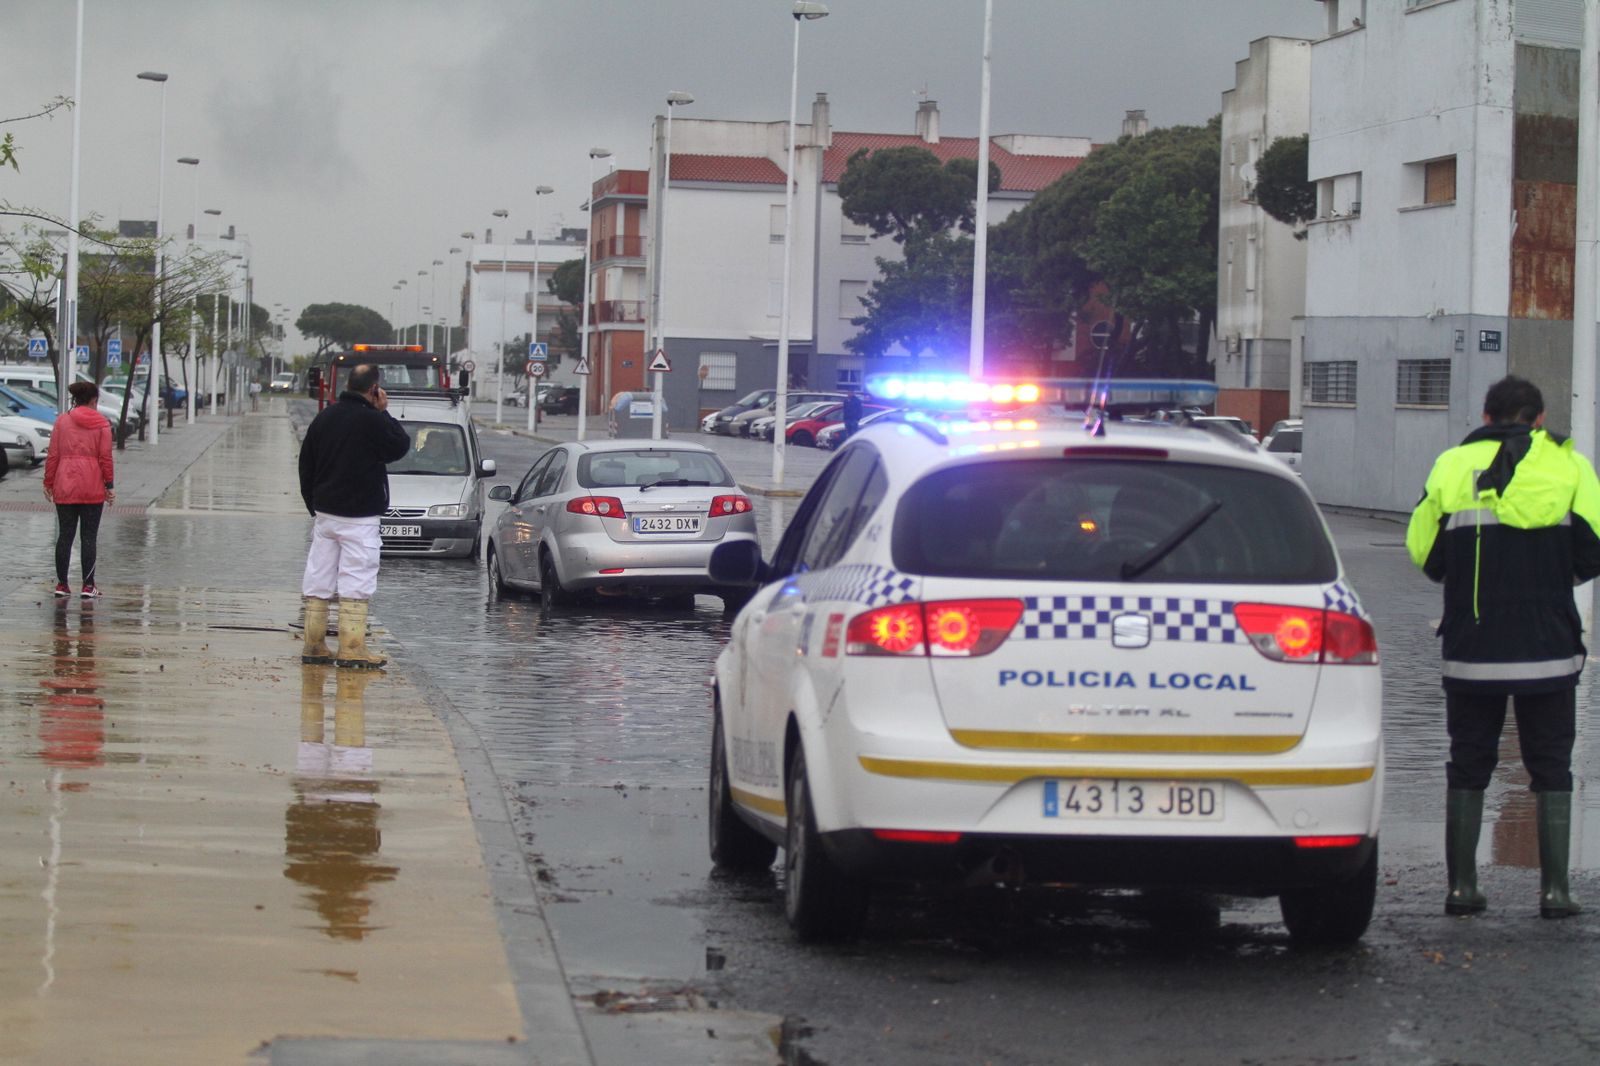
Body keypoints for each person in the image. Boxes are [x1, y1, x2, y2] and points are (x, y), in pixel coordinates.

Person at [1407, 375, 1600, 919]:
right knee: (1550, 765)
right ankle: (1555, 892)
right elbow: (1595, 548)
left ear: (1486, 417)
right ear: (1538, 419)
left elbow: (1424, 550)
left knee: (1469, 763)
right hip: (1549, 648)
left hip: (1473, 648)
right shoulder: (1569, 467)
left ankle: (1463, 889)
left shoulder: (1451, 465)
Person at [297, 363, 411, 669]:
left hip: (326, 514)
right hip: (360, 517)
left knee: (319, 577)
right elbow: (400, 446)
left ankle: (314, 644)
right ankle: (352, 648)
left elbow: (305, 465)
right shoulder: (372, 421)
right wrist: (384, 412)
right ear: (374, 389)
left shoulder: (325, 418)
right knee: (357, 579)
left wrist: (314, 504)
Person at [43, 380, 116, 598]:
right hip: (92, 487)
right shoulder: (102, 424)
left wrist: (48, 482)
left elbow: (53, 455)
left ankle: (62, 585)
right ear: (94, 400)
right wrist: (109, 486)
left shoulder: (62, 422)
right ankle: (88, 585)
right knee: (89, 537)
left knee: (65, 535)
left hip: (64, 485)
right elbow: (105, 458)